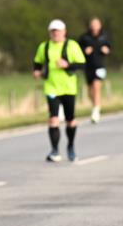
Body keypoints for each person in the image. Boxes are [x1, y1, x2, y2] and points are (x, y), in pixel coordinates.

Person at [33, 19, 86, 162]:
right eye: (53, 31)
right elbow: (37, 62)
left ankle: (71, 147)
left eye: (58, 31)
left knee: (70, 120)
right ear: (50, 33)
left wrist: (67, 65)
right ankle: (55, 150)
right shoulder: (44, 47)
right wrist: (37, 71)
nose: (55, 33)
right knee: (53, 119)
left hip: (69, 88)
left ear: (64, 32)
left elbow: (81, 64)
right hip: (51, 87)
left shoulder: (72, 45)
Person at [78, 18, 112, 123]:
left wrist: (107, 50)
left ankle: (96, 111)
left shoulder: (104, 36)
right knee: (90, 90)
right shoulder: (84, 37)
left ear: (100, 25)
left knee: (97, 87)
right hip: (88, 67)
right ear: (90, 26)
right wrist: (84, 51)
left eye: (96, 24)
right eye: (92, 24)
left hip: (100, 66)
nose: (94, 26)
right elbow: (77, 49)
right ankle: (95, 106)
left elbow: (110, 47)